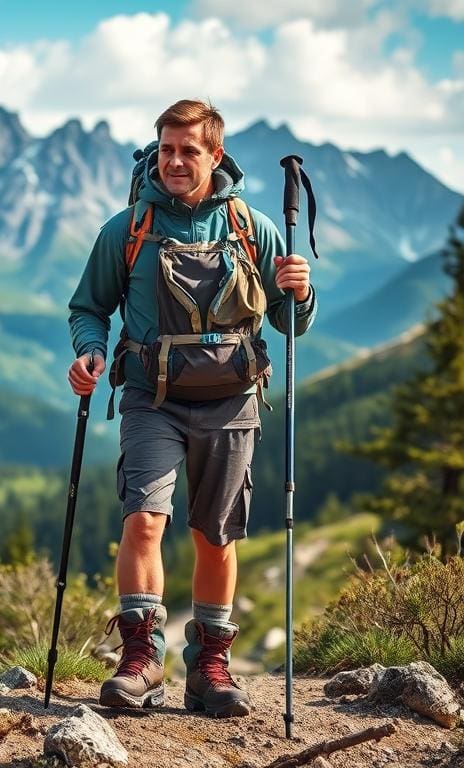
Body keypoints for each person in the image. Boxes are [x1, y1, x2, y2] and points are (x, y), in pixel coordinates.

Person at [67, 99, 316, 717]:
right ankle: (141, 658)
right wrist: (91, 354)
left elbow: (287, 324)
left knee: (215, 534)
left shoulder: (251, 227)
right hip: (152, 399)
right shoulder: (127, 230)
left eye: (189, 151)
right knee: (144, 521)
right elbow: (87, 308)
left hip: (234, 402)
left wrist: (301, 292)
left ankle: (209, 666)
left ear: (216, 155)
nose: (175, 161)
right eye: (167, 149)